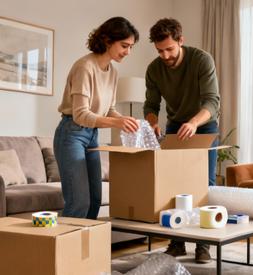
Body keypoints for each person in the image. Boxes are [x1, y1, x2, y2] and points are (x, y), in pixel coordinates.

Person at [143, 18, 221, 263]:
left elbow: (212, 101)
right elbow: (151, 105)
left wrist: (194, 123)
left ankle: (203, 246)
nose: (165, 56)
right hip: (175, 126)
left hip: (203, 124)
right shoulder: (154, 69)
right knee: (173, 184)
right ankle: (177, 243)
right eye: (160, 51)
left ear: (180, 41)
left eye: (169, 49)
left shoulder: (201, 60)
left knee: (204, 184)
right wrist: (152, 122)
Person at [54, 17, 140, 220]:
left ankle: (88, 241)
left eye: (131, 47)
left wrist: (125, 120)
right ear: (107, 40)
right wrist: (117, 123)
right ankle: (67, 242)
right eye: (124, 46)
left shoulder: (113, 72)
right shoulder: (85, 67)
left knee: (94, 200)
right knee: (79, 201)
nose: (128, 52)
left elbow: (109, 109)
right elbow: (80, 114)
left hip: (91, 135)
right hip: (72, 134)